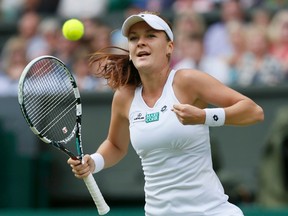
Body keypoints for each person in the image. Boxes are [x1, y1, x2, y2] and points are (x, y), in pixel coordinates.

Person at [67, 11, 264, 216]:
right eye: (134, 38)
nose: (140, 42)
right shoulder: (124, 97)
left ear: (170, 47)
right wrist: (94, 162)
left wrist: (204, 116)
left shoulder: (187, 81)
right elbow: (116, 145)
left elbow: (253, 111)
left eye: (150, 36)